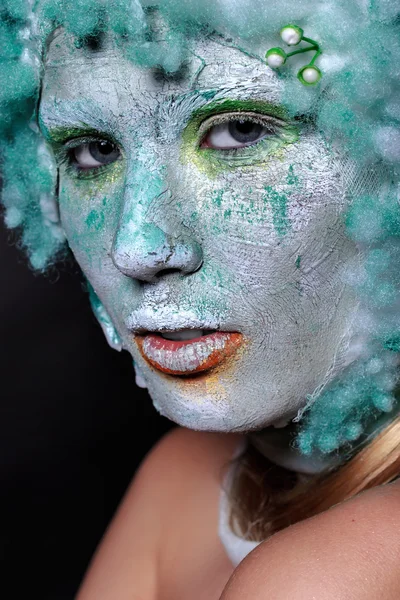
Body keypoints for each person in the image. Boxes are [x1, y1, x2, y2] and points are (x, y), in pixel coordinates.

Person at [1, 1, 400, 598]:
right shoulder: (187, 478)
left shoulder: (331, 574)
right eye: (94, 152)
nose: (134, 248)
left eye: (239, 131)